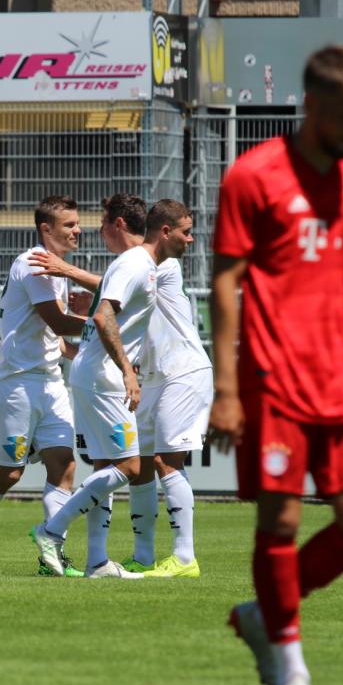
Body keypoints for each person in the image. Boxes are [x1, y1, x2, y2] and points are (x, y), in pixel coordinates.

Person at [208, 45, 343, 685]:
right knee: (282, 519)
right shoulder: (254, 174)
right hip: (271, 381)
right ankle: (292, 671)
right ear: (311, 103)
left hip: (342, 380)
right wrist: (226, 388)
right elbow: (226, 282)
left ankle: (264, 611)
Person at [0, 195, 94, 575]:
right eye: (69, 224)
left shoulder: (55, 270)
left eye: (77, 223)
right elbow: (61, 323)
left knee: (64, 465)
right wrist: (103, 320)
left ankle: (52, 554)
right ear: (46, 229)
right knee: (9, 474)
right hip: (17, 383)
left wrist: (79, 353)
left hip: (50, 383)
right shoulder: (34, 263)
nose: (78, 229)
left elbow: (57, 337)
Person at [29, 193, 164, 579]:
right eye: (184, 233)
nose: (94, 230)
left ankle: (97, 561)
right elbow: (104, 317)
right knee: (130, 466)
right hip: (107, 376)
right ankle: (51, 531)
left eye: (101, 222)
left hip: (101, 372)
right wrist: (126, 369)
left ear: (117, 225)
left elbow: (104, 310)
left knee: (108, 466)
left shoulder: (140, 264)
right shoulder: (134, 263)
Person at [122, 200, 208, 578]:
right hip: (156, 375)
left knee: (165, 461)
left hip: (183, 371)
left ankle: (185, 559)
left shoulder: (164, 265)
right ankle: (143, 556)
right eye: (186, 231)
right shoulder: (136, 263)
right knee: (138, 465)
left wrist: (68, 270)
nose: (191, 239)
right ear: (165, 231)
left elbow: (113, 291)